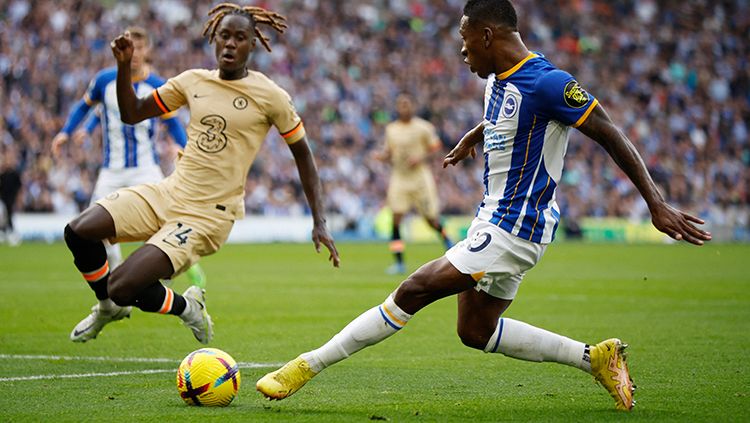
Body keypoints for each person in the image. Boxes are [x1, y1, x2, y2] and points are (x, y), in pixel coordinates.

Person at [256, 0, 712, 411]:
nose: (461, 49)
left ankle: (307, 366)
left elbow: (610, 131)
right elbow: (511, 114)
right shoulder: (497, 78)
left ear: (487, 35)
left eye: (463, 37)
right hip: (496, 219)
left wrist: (656, 204)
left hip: (514, 226)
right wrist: (476, 135)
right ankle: (595, 358)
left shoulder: (550, 83)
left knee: (414, 289)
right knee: (475, 331)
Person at [61, 3, 340, 345]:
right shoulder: (192, 81)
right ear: (214, 39)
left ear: (253, 44)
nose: (230, 44)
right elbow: (132, 113)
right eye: (224, 36)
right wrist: (122, 67)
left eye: (240, 37)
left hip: (207, 215)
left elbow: (304, 156)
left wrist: (320, 220)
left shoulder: (271, 96)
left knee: (122, 285)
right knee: (78, 231)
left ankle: (185, 306)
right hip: (169, 192)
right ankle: (108, 307)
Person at [51, 26, 207, 290]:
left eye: (139, 47)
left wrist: (190, 151)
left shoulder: (157, 85)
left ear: (147, 51)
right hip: (111, 171)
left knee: (168, 224)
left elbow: (173, 124)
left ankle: (189, 264)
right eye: (129, 46)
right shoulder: (104, 81)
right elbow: (88, 108)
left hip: (145, 168)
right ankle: (114, 283)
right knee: (89, 230)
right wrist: (67, 132)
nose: (133, 53)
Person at [376, 94, 453, 274]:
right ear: (397, 107)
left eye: (407, 104)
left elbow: (435, 146)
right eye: (401, 105)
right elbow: (388, 151)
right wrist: (382, 157)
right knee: (396, 218)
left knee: (431, 220)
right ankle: (399, 262)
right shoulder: (391, 129)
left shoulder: (423, 127)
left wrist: (421, 157)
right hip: (400, 177)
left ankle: (448, 241)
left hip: (419, 178)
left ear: (413, 106)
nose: (404, 108)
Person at [0, 150, 22, 246]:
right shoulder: (3, 174)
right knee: (4, 216)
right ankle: (5, 232)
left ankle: (10, 233)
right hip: (3, 199)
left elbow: (19, 188)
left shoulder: (15, 174)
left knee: (9, 215)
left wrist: (18, 199)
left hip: (11, 199)